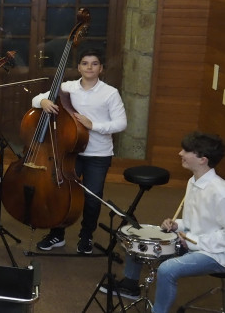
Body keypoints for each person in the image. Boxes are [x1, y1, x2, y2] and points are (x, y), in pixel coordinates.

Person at [100, 132, 225, 312]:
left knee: (167, 270)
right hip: (190, 241)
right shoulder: (193, 181)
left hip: (215, 253)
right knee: (138, 237)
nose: (180, 153)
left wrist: (193, 241)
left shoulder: (220, 192)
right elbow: (196, 222)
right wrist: (177, 225)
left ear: (202, 160)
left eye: (186, 151)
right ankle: (130, 285)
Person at [33, 48, 127, 254]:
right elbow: (36, 98)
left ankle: (86, 236)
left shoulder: (110, 93)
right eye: (85, 63)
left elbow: (121, 123)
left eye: (94, 64)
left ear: (101, 68)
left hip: (98, 154)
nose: (89, 67)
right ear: (79, 67)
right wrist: (43, 101)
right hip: (69, 152)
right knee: (62, 193)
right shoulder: (67, 87)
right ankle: (57, 234)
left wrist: (93, 125)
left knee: (92, 197)